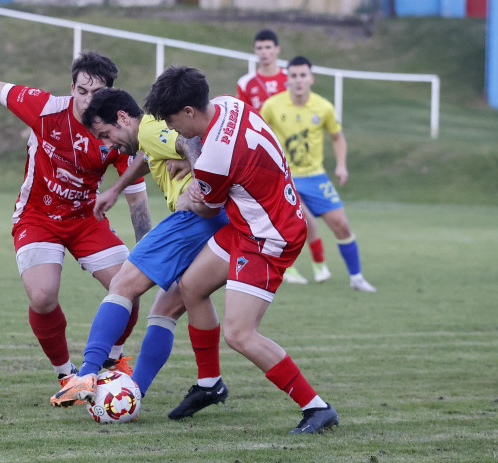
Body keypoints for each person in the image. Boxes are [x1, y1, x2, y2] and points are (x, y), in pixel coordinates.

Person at [0, 51, 150, 388]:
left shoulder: (116, 132)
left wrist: (148, 256)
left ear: (110, 94)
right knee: (42, 296)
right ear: (72, 87)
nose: (86, 100)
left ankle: (112, 360)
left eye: (96, 93)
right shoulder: (45, 108)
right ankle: (66, 375)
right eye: (81, 91)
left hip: (85, 220)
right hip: (38, 217)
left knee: (131, 284)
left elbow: (136, 197)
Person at [146, 65, 339, 434]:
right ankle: (209, 385)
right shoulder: (226, 104)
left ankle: (316, 406)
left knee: (240, 333)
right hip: (250, 223)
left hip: (270, 237)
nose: (174, 132)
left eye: (173, 123)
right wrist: (189, 160)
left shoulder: (215, 160)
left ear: (189, 112)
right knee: (191, 287)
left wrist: (190, 193)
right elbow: (214, 153)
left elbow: (206, 205)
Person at [50, 88, 231, 420]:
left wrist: (201, 181)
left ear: (122, 118)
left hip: (194, 219)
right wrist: (116, 190)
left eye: (106, 134)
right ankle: (138, 391)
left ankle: (87, 374)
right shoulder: (150, 136)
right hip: (222, 222)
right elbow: (149, 157)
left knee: (123, 284)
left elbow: (192, 144)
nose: (107, 145)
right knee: (165, 309)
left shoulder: (149, 127)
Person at [260, 56, 376, 292]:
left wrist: (341, 165)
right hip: (286, 178)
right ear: (287, 79)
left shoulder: (323, 107)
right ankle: (288, 271)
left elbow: (337, 137)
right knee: (299, 225)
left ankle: (356, 277)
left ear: (311, 78)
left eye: (303, 75)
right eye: (294, 76)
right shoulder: (272, 106)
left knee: (341, 225)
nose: (299, 80)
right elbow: (258, 135)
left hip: (316, 177)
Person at [237, 29, 330, 286]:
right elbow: (246, 120)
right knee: (279, 215)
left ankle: (315, 265)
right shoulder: (246, 84)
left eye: (269, 47)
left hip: (291, 159)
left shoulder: (290, 77)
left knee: (301, 216)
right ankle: (292, 266)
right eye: (260, 48)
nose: (264, 53)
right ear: (255, 52)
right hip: (261, 160)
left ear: (277, 50)